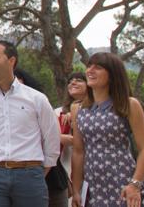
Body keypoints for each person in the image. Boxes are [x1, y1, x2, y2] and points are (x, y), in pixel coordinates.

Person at [0, 40, 60, 206]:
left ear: (11, 61)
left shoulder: (36, 99)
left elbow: (52, 138)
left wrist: (38, 172)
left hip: (29, 174)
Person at [70, 52, 144, 207]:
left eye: (98, 67)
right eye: (89, 66)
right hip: (93, 189)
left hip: (124, 187)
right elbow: (78, 151)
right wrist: (76, 190)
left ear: (113, 74)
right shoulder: (78, 109)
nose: (90, 70)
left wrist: (135, 184)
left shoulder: (129, 104)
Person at [51, 72, 87, 207]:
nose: (73, 83)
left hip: (91, 165)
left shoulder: (95, 111)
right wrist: (61, 138)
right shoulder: (57, 112)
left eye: (79, 80)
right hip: (66, 165)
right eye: (70, 81)